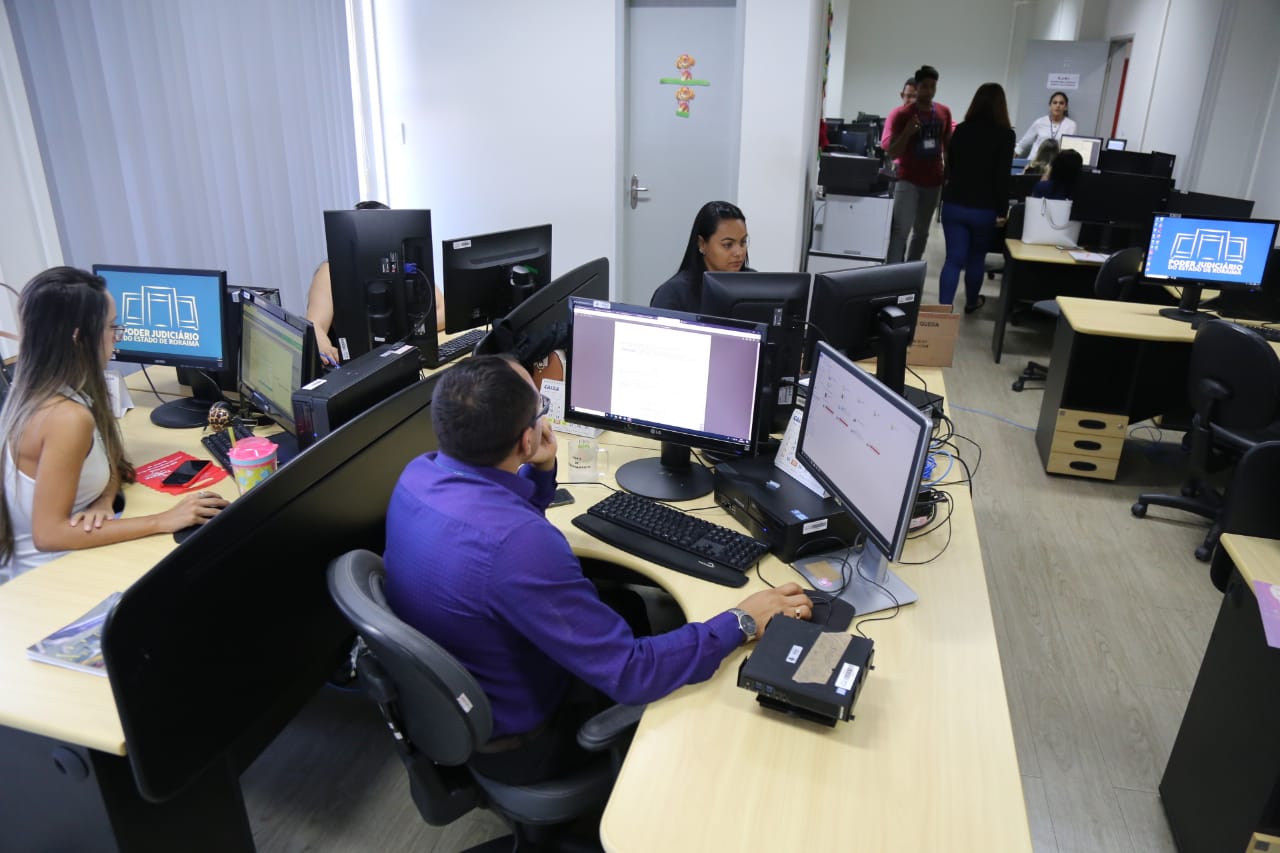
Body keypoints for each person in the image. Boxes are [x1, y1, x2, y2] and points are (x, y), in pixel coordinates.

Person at [383, 354, 811, 784]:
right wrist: (741, 620)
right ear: (522, 442)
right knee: (707, 695)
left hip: (465, 695)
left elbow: (496, 527)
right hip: (526, 741)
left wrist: (542, 469)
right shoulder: (520, 546)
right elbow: (632, 674)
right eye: (540, 411)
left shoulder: (417, 474)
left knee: (626, 605)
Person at [0, 267, 227, 584]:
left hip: (73, 556)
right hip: (51, 579)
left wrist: (102, 500)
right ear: (79, 337)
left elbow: (109, 463)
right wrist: (163, 520)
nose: (116, 338)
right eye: (111, 327)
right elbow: (49, 535)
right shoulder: (64, 417)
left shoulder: (55, 392)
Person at [305, 200, 446, 367]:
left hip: (403, 359)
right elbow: (314, 326)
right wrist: (325, 348)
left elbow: (443, 310)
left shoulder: (408, 264)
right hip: (353, 365)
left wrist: (404, 336)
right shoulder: (329, 272)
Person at [939, 83, 1016, 314]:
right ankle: (971, 302)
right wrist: (1003, 211)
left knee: (953, 259)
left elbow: (950, 167)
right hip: (984, 209)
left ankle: (942, 313)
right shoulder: (1006, 135)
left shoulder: (961, 130)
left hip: (954, 204)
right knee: (976, 258)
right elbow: (1002, 177)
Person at [884, 65, 953, 264]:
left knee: (921, 232)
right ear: (918, 86)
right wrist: (907, 132)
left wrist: (948, 176)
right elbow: (893, 151)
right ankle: (892, 275)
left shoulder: (943, 112)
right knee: (900, 231)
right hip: (908, 180)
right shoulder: (903, 114)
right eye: (925, 86)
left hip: (933, 181)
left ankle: (910, 273)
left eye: (933, 86)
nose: (929, 91)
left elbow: (947, 147)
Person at [650, 200, 752, 313]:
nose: (739, 252)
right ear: (702, 244)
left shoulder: (755, 285)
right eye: (727, 245)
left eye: (743, 242)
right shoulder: (673, 295)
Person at [1015, 91, 1078, 160]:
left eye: (1061, 103)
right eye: (1055, 103)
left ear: (1065, 107)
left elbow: (1071, 151)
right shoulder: (1040, 122)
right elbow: (1022, 145)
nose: (1058, 105)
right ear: (1050, 106)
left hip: (1056, 164)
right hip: (1035, 162)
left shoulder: (1071, 125)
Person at [880, 76, 920, 175]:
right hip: (901, 167)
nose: (912, 100)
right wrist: (906, 133)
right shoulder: (895, 114)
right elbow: (885, 143)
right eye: (908, 96)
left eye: (915, 96)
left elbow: (950, 128)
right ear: (902, 95)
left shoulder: (931, 114)